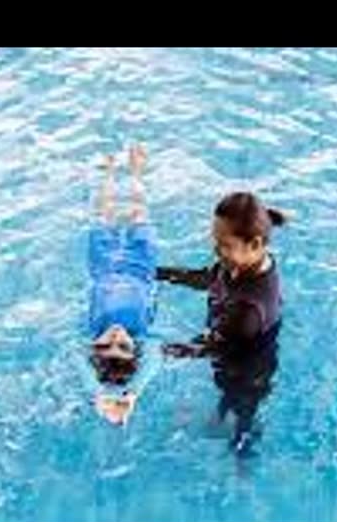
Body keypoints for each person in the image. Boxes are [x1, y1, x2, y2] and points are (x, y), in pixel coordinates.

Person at [159, 191, 286, 454]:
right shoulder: (238, 263)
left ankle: (243, 454)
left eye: (225, 245)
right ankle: (223, 416)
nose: (216, 251)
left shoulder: (248, 310)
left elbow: (211, 347)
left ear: (255, 243)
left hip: (248, 370)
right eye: (216, 242)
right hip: (231, 348)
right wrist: (157, 273)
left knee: (242, 409)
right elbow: (207, 278)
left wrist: (158, 351)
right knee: (228, 397)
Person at [83, 144, 161, 425]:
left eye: (106, 345)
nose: (115, 336)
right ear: (134, 348)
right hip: (141, 265)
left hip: (102, 264)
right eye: (123, 346)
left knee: (103, 216)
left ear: (93, 348)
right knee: (140, 212)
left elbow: (76, 361)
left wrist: (98, 395)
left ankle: (109, 172)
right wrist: (133, 394)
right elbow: (153, 361)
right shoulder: (142, 334)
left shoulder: (92, 330)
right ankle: (137, 170)